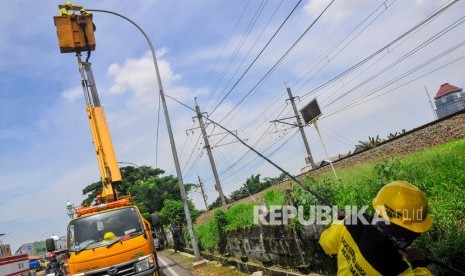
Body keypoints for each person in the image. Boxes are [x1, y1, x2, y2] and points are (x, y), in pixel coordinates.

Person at [319, 181, 433, 275]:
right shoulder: (397, 268)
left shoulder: (353, 223)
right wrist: (419, 263)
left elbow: (326, 244)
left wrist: (340, 221)